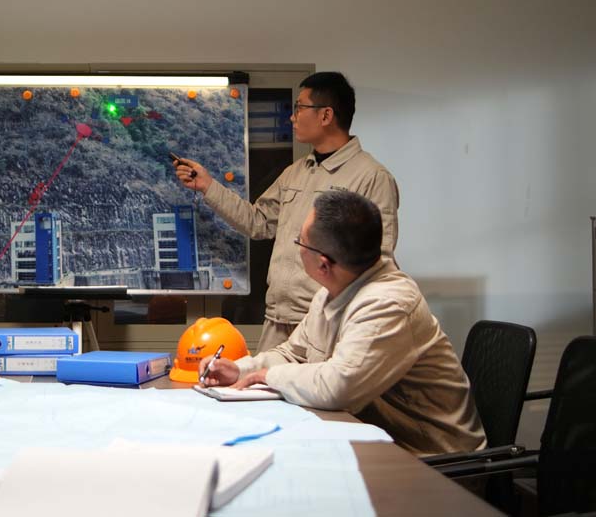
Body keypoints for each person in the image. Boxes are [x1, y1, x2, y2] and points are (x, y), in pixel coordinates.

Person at [200, 191, 484, 456]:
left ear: (323, 264)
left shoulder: (388, 304)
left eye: (299, 241)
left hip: (434, 461)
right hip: (378, 442)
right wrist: (241, 370)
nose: (297, 248)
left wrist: (267, 376)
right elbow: (293, 353)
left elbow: (337, 388)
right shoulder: (334, 291)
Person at [174, 71, 399, 352]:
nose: (292, 117)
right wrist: (207, 186)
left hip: (328, 324)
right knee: (259, 379)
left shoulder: (371, 177)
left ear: (326, 115)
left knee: (320, 384)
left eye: (299, 108)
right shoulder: (295, 173)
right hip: (277, 321)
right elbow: (257, 222)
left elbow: (379, 262)